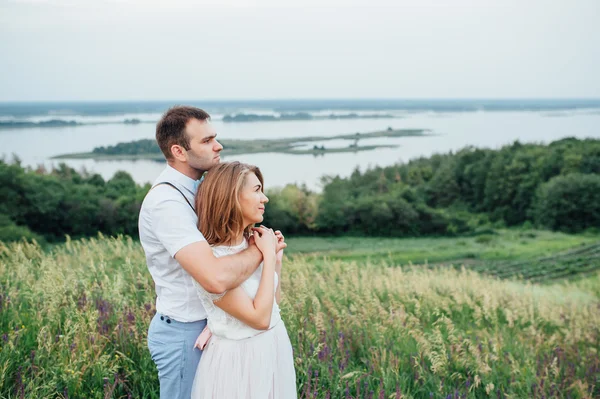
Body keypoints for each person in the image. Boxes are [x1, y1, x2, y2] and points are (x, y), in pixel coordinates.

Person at [138, 106, 286, 399]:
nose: (217, 146)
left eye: (214, 137)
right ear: (179, 151)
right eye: (206, 141)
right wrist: (263, 251)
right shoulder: (167, 203)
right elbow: (215, 279)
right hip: (185, 333)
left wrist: (268, 253)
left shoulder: (200, 189)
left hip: (219, 328)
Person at [190, 161, 297, 399]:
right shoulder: (212, 262)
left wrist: (276, 260)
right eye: (256, 190)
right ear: (232, 197)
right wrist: (267, 256)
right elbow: (259, 319)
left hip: (273, 348)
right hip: (239, 362)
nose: (265, 198)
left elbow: (272, 308)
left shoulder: (252, 243)